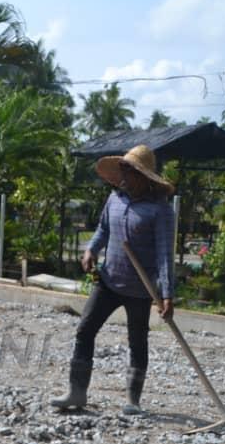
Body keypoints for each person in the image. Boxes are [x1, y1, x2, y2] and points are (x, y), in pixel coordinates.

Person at [51, 144, 176, 414]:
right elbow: (103, 229)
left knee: (137, 341)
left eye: (129, 172)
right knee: (85, 330)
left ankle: (133, 400)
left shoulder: (160, 210)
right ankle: (76, 392)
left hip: (141, 289)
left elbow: (165, 254)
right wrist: (91, 250)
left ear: (143, 176)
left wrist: (167, 294)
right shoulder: (115, 199)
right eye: (123, 170)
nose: (124, 177)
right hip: (108, 281)